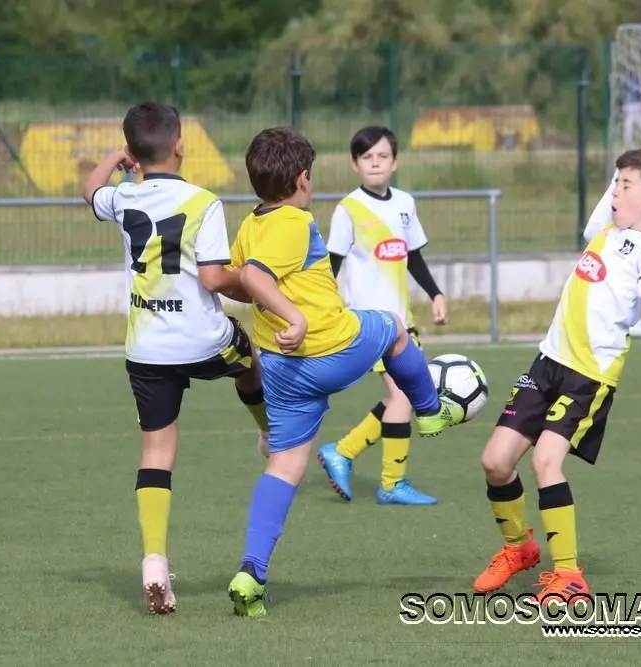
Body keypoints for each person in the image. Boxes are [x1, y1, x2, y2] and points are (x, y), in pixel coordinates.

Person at [225, 127, 463, 617]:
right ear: (303, 178)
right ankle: (430, 411)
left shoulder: (250, 224)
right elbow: (253, 276)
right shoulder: (294, 221)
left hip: (282, 369)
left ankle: (252, 573)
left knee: (284, 466)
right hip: (331, 346)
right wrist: (294, 316)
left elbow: (236, 280)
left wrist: (268, 305)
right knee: (394, 326)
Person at [472, 147, 641, 604]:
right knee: (495, 461)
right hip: (548, 361)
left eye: (626, 185)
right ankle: (519, 548)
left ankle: (569, 576)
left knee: (545, 461)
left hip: (589, 374)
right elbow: (595, 221)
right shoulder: (606, 232)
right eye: (616, 183)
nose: (615, 192)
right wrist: (618, 179)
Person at [83, 101, 269, 615]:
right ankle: (267, 431)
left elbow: (89, 191)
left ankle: (154, 559)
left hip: (147, 349)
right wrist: (250, 282)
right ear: (180, 146)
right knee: (248, 358)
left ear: (133, 151)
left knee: (157, 451)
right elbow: (212, 278)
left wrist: (114, 158)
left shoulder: (123, 196)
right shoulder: (204, 202)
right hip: (202, 340)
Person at [318, 125, 449, 506]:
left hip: (403, 322)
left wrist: (436, 293)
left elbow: (413, 257)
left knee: (403, 397)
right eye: (367, 157)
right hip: (371, 323)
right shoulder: (348, 209)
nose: (375, 163)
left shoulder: (405, 203)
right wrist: (325, 308)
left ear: (395, 162)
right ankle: (390, 483)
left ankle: (343, 451)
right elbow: (331, 265)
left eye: (382, 156)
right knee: (403, 396)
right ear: (354, 164)